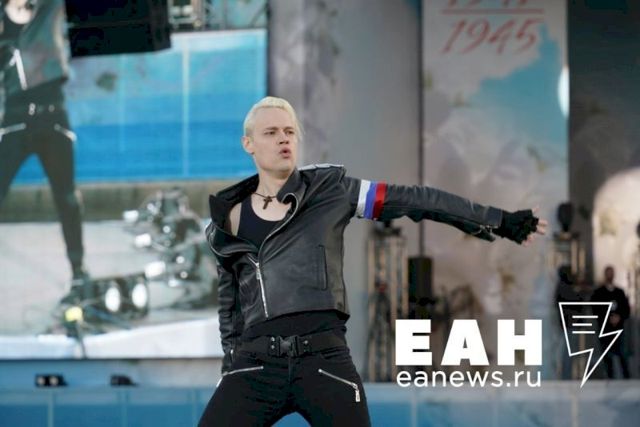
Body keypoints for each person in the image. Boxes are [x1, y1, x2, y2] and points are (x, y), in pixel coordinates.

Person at [199, 96, 547, 426]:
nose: (283, 139)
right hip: (256, 364)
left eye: (290, 131)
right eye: (271, 132)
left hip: (323, 360)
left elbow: (417, 200)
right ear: (249, 144)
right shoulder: (226, 222)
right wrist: (231, 368)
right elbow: (231, 310)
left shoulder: (330, 191)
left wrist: (498, 220)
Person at [0, 0, 88, 289]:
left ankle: (78, 270)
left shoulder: (50, 7)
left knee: (67, 199)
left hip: (53, 118)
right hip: (15, 121)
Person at [591, 265, 631, 379]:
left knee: (622, 353)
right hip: (605, 329)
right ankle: (610, 377)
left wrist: (619, 317)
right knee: (607, 355)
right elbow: (595, 309)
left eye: (611, 273)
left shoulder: (620, 292)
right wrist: (607, 319)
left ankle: (626, 377)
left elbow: (626, 309)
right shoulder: (599, 293)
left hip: (618, 329)